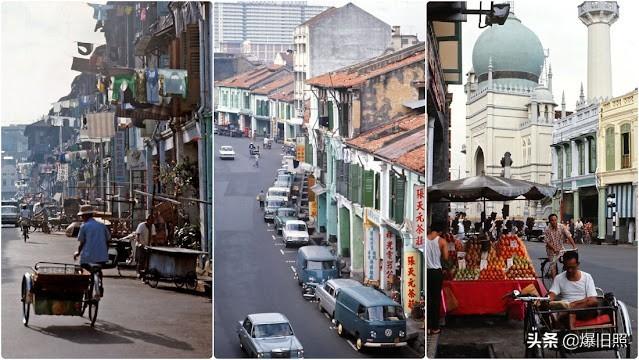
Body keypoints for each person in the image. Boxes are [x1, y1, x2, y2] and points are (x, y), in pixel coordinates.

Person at [547, 251, 599, 327]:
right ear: (564, 265)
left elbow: (592, 300)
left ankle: (568, 314)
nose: (570, 270)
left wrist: (573, 305)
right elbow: (552, 294)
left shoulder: (587, 277)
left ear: (578, 265)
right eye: (567, 267)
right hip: (565, 309)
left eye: (572, 267)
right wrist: (546, 300)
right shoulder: (559, 278)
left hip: (583, 310)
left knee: (591, 302)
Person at [73, 205, 109, 295]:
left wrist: (77, 253)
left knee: (83, 270)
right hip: (102, 257)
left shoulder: (84, 226)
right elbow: (108, 239)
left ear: (85, 216)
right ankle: (100, 284)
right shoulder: (102, 225)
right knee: (98, 269)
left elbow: (82, 242)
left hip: (87, 257)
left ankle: (84, 288)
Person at [426, 222, 449, 335]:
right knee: (435, 300)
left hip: (425, 272)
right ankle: (434, 327)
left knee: (428, 299)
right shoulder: (442, 241)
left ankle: (427, 326)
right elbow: (445, 257)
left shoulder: (424, 239)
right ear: (440, 231)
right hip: (436, 272)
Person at [543, 214, 577, 278]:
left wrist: (574, 246)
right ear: (550, 221)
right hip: (551, 250)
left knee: (567, 260)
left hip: (560, 248)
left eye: (555, 220)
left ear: (557, 220)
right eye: (552, 220)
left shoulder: (561, 227)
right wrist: (554, 249)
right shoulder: (547, 229)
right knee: (553, 265)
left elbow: (568, 236)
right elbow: (547, 242)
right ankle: (555, 283)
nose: (554, 222)